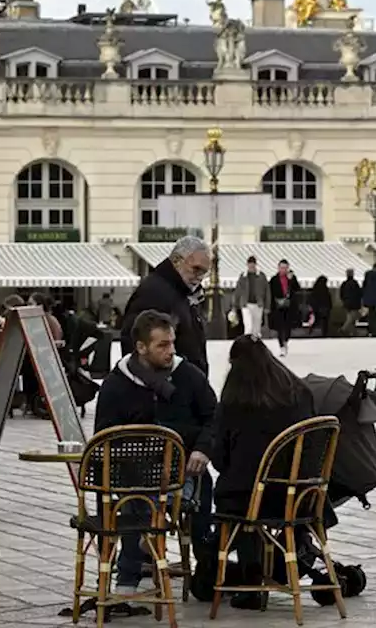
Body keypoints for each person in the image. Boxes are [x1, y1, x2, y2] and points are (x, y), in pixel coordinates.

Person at [95, 309, 215, 595]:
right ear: (141, 347)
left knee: (201, 492)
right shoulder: (117, 384)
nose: (170, 351)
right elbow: (103, 436)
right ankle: (128, 575)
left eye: (172, 343)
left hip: (184, 472)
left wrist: (202, 449)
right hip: (132, 476)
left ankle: (207, 572)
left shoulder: (188, 375)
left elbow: (214, 417)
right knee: (137, 500)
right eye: (162, 345)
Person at [210, 335, 320, 610]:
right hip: (300, 496)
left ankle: (251, 581)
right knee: (251, 492)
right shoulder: (300, 393)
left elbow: (220, 459)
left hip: (250, 498)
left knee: (241, 498)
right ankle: (294, 558)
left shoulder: (235, 402)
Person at [121, 236, 211, 377]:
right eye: (196, 269)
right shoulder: (154, 292)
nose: (200, 277)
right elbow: (135, 346)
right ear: (176, 261)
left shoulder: (181, 294)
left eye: (204, 272)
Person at [268, 260, 300, 357]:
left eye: (285, 268)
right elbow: (270, 293)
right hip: (278, 306)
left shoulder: (291, 278)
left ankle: (285, 341)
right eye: (282, 268)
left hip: (289, 306)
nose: (283, 270)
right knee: (279, 327)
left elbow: (297, 288)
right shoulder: (274, 279)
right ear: (278, 268)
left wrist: (291, 280)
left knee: (288, 326)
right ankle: (281, 346)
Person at [231, 256, 268, 340]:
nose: (251, 267)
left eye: (252, 265)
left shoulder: (261, 276)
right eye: (249, 265)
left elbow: (267, 291)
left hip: (258, 304)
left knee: (256, 328)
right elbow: (238, 291)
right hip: (246, 304)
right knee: (248, 327)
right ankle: (247, 345)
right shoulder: (243, 276)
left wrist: (267, 306)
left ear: (255, 265)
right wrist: (234, 305)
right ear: (247, 265)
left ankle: (255, 345)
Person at [338, 268, 362, 336]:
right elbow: (359, 293)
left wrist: (343, 301)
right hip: (354, 304)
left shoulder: (344, 284)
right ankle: (344, 329)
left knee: (350, 318)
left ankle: (353, 332)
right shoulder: (355, 283)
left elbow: (341, 294)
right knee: (351, 319)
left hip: (347, 303)